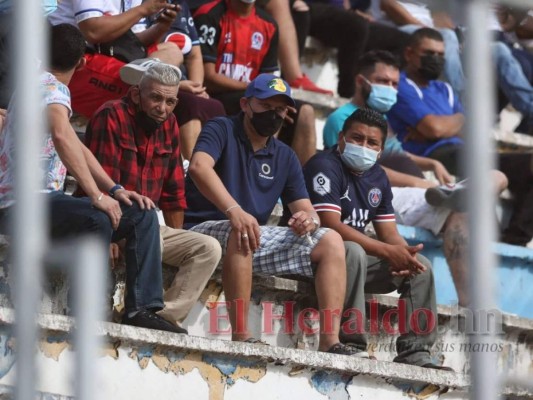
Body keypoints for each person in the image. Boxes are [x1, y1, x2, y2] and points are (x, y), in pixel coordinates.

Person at [0, 23, 181, 334]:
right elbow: (62, 135)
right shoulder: (53, 90)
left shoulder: (36, 84)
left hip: (43, 202)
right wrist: (97, 197)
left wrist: (114, 188)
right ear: (83, 61)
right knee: (97, 218)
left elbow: (75, 145)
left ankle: (143, 308)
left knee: (142, 214)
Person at [184, 73, 358, 355]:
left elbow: (306, 209)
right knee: (242, 229)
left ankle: (330, 341)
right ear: (245, 104)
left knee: (330, 240)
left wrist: (308, 221)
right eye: (266, 105)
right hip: (202, 232)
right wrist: (234, 210)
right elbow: (199, 167)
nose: (274, 114)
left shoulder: (285, 155)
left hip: (250, 239)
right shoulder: (221, 128)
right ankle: (242, 336)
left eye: (280, 109)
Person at [323, 50, 481, 307]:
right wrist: (421, 183)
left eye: (395, 84)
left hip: (406, 192)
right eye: (383, 81)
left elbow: (394, 155)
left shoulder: (382, 121)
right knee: (352, 253)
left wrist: (431, 162)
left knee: (493, 178)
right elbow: (353, 170)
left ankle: (420, 346)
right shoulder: (343, 121)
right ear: (361, 81)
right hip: (397, 194)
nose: (390, 89)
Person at [304, 108, 452, 369]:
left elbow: (389, 233)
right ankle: (350, 342)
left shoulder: (378, 177)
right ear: (341, 138)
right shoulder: (324, 166)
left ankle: (415, 352)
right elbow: (330, 225)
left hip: (351, 264)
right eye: (356, 138)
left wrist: (404, 253)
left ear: (381, 150)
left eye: (371, 142)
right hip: (312, 256)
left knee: (421, 267)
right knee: (351, 249)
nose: (363, 146)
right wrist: (386, 251)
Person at [85, 60, 222, 331]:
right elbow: (99, 180)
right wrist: (107, 234)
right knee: (147, 229)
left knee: (207, 248)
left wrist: (178, 238)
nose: (163, 108)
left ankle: (162, 317)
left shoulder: (170, 124)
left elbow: (173, 193)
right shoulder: (111, 114)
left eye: (170, 102)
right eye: (156, 98)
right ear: (137, 94)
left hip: (149, 227)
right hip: (112, 220)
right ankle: (139, 310)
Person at [193, 0, 317, 165]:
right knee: (270, 110)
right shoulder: (209, 15)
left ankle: (302, 187)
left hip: (255, 94)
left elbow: (268, 79)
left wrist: (276, 102)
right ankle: (261, 172)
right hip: (219, 94)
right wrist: (257, 92)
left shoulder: (269, 24)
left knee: (304, 112)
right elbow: (208, 76)